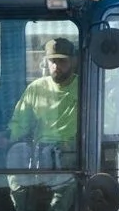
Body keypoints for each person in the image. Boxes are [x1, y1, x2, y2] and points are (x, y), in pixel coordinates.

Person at [6, 37, 80, 166]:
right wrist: (8, 138)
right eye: (52, 61)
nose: (56, 66)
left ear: (73, 61)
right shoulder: (36, 88)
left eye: (62, 61)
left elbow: (106, 121)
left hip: (75, 155)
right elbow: (20, 122)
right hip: (42, 157)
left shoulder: (85, 86)